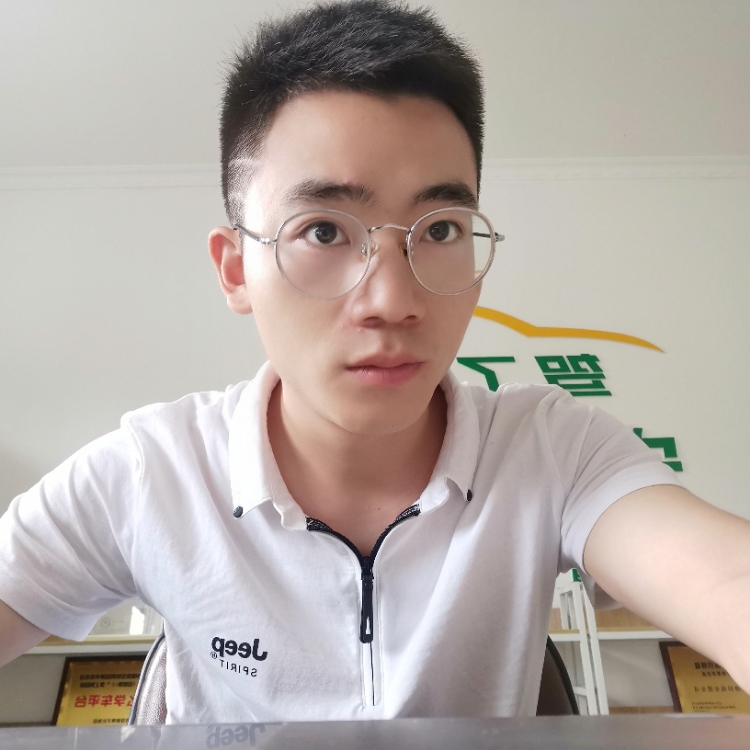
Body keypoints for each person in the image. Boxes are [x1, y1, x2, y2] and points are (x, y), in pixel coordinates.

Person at [0, 0, 748, 724]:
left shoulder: (553, 450)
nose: (392, 300)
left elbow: (725, 580)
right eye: (324, 231)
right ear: (235, 270)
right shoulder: (151, 473)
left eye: (441, 229)